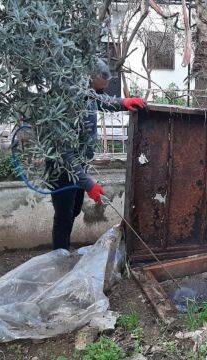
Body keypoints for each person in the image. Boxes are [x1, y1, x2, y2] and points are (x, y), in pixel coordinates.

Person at [49, 59, 145, 250]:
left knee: (74, 210)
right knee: (64, 216)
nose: (100, 93)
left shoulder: (88, 94)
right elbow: (66, 154)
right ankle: (58, 258)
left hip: (79, 165)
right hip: (62, 169)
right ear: (88, 79)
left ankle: (62, 252)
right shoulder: (68, 102)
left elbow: (103, 101)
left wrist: (124, 103)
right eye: (99, 88)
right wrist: (89, 184)